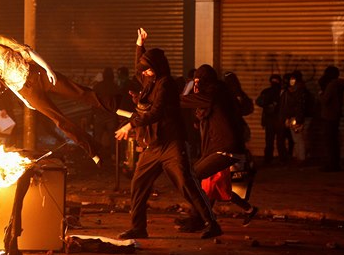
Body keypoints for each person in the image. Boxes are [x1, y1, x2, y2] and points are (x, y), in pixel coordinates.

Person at [114, 28, 222, 240]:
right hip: (152, 146)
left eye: (148, 69)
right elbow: (140, 68)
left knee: (186, 183)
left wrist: (130, 125)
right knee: (138, 185)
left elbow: (156, 112)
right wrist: (139, 45)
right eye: (144, 70)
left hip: (172, 144)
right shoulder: (149, 80)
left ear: (157, 68)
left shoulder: (166, 84)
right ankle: (138, 228)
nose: (143, 73)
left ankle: (211, 222)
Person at [0, 29, 108, 164]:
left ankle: (114, 107)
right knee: (59, 121)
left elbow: (27, 51)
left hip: (35, 75)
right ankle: (93, 151)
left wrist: (47, 68)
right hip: (25, 90)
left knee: (78, 92)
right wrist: (23, 99)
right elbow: (6, 82)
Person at [179, 64, 259, 231]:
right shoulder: (215, 93)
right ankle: (200, 218)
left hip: (225, 148)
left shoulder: (213, 94)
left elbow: (182, 100)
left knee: (195, 177)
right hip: (217, 148)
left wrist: (187, 87)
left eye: (197, 81)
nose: (196, 84)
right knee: (206, 184)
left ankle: (201, 219)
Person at [317, 66, 344, 172]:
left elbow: (325, 100)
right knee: (333, 141)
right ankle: (335, 164)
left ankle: (331, 165)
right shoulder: (339, 85)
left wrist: (320, 94)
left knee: (329, 141)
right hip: (335, 116)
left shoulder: (331, 85)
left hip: (328, 116)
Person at [279, 70, 310, 164]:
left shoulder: (298, 91)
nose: (291, 81)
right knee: (297, 139)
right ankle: (299, 157)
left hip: (296, 118)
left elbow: (299, 106)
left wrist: (298, 119)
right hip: (293, 117)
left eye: (293, 79)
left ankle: (301, 158)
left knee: (298, 139)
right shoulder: (292, 90)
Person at [255, 74, 287, 165]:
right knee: (280, 141)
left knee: (269, 141)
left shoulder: (267, 91)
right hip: (279, 120)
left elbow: (258, 102)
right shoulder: (282, 92)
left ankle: (268, 159)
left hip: (270, 120)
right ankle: (282, 159)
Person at [92, 67, 120, 168]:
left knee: (97, 138)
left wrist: (93, 113)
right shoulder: (115, 87)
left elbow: (93, 101)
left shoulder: (98, 86)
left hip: (100, 115)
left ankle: (96, 157)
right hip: (111, 115)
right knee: (113, 138)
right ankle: (113, 157)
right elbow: (118, 102)